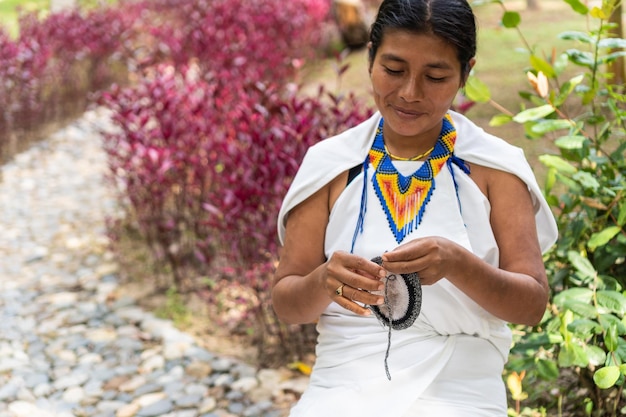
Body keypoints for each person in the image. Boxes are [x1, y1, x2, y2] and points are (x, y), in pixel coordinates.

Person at [272, 0, 558, 415]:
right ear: (370, 57)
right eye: (393, 70)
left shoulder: (496, 168)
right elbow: (286, 302)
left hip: (461, 387)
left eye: (436, 76)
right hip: (345, 384)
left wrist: (460, 264)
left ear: (466, 72)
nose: (410, 92)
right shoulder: (331, 164)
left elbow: (531, 306)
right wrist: (321, 282)